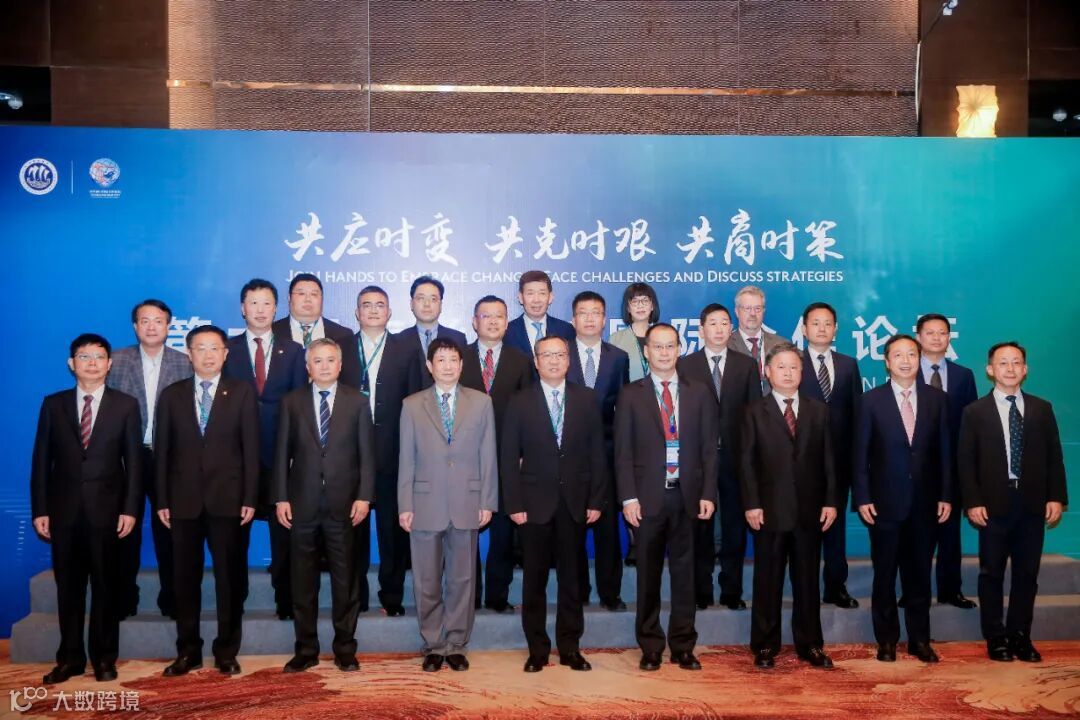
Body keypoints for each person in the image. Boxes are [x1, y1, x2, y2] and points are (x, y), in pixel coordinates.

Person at [32, 334, 142, 684]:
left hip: (108, 513)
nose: (92, 363)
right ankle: (69, 659)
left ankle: (104, 658)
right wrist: (40, 509)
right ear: (71, 363)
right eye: (84, 356)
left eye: (98, 356)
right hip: (63, 513)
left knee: (107, 587)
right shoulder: (54, 405)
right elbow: (41, 461)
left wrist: (130, 509)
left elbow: (134, 463)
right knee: (69, 588)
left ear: (110, 364)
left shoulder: (125, 405)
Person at [155, 325, 259, 677]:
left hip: (228, 501)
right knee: (185, 581)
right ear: (189, 354)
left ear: (226, 354)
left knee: (229, 580)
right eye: (200, 348)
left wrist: (250, 496)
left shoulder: (241, 392)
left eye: (215, 348)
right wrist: (162, 499)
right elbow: (162, 452)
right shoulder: (172, 395)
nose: (208, 355)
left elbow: (251, 449)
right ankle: (188, 652)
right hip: (182, 503)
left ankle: (226, 651)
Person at [615, 324, 717, 671]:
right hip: (647, 500)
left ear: (679, 349)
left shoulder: (699, 392)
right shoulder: (631, 394)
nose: (663, 352)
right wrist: (628, 498)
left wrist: (708, 492)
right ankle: (650, 645)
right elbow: (623, 452)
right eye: (657, 347)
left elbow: (709, 449)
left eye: (670, 346)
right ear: (646, 352)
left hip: (687, 496)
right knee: (649, 575)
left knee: (686, 575)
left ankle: (683, 645)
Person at [502, 335, 607, 672]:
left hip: (575, 502)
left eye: (560, 355)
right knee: (534, 581)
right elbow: (508, 456)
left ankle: (570, 646)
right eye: (546, 355)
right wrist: (513, 503)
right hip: (533, 504)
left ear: (568, 360)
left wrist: (596, 498)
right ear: (536, 362)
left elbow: (597, 452)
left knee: (571, 580)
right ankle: (537, 649)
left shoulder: (586, 399)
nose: (553, 361)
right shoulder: (519, 401)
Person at [959, 341, 1067, 663]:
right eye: (1003, 363)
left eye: (1016, 362)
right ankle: (996, 638)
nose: (1010, 368)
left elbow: (1054, 457)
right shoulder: (975, 412)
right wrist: (972, 501)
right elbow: (966, 462)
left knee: (1027, 574)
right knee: (991, 574)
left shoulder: (1042, 408)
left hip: (1032, 504)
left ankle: (1020, 635)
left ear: (1025, 369)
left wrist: (1056, 496)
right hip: (992, 506)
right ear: (990, 369)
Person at [274, 338, 375, 672]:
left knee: (345, 580)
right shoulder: (291, 402)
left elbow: (367, 455)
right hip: (301, 504)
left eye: (331, 360)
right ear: (308, 367)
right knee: (303, 582)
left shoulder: (358, 402)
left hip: (343, 505)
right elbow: (281, 454)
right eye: (317, 361)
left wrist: (364, 496)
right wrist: (281, 497)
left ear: (340, 365)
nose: (324, 366)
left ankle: (345, 648)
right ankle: (306, 650)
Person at [398, 338, 498, 672]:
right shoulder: (412, 405)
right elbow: (406, 459)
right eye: (440, 360)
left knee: (462, 579)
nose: (448, 366)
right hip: (424, 503)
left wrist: (487, 500)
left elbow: (488, 455)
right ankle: (432, 644)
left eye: (454, 359)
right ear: (430, 366)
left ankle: (456, 644)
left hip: (467, 501)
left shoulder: (481, 403)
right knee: (426, 581)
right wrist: (404, 504)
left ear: (462, 364)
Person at [854, 334, 952, 664]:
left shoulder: (937, 400)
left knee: (920, 575)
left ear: (920, 359)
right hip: (884, 504)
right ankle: (886, 640)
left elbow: (945, 452)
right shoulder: (870, 401)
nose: (906, 361)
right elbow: (860, 455)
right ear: (887, 361)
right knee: (884, 575)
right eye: (898, 355)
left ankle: (919, 640)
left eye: (912, 354)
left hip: (926, 503)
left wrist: (946, 495)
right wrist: (862, 496)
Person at [740, 342, 837, 669]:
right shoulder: (754, 411)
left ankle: (810, 644)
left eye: (794, 367)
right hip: (769, 511)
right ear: (767, 372)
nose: (788, 373)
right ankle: (765, 645)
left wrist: (831, 501)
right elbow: (746, 463)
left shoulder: (818, 411)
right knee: (767, 581)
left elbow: (829, 461)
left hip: (810, 512)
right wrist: (752, 504)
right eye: (781, 367)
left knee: (807, 581)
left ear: (802, 372)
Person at [222, 279, 308, 620]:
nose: (260, 310)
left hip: (280, 458)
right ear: (243, 308)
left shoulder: (294, 351)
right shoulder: (226, 350)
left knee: (284, 534)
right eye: (253, 303)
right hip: (235, 460)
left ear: (276, 308)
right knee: (233, 538)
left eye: (266, 303)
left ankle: (286, 600)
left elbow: (301, 407)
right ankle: (234, 602)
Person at [106, 299, 192, 620]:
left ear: (169, 326)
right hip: (127, 458)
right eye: (145, 320)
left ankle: (173, 598)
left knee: (170, 530)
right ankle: (123, 598)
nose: (152, 326)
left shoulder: (185, 362)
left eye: (158, 321)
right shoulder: (116, 360)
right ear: (135, 326)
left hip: (171, 459)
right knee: (124, 528)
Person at [677, 303, 761, 611]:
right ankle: (701, 589)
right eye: (713, 323)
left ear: (731, 329)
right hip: (698, 460)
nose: (719, 329)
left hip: (735, 459)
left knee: (734, 527)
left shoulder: (746, 365)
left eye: (725, 323)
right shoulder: (685, 365)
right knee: (700, 527)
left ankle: (731, 590)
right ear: (701, 330)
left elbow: (754, 414)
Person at [351, 285, 422, 616]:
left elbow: (417, 402)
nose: (373, 310)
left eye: (380, 305)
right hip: (351, 456)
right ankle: (356, 597)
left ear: (390, 312)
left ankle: (392, 596)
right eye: (366, 305)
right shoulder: (342, 348)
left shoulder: (407, 350)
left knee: (393, 531)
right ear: (357, 312)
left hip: (395, 453)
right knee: (354, 531)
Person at [460, 295, 533, 613]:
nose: (492, 321)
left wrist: (523, 452)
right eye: (485, 316)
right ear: (474, 322)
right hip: (464, 457)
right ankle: (470, 596)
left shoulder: (521, 361)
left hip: (507, 458)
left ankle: (497, 595)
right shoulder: (458, 358)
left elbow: (530, 410)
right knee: (465, 530)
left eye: (499, 316)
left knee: (503, 531)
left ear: (507, 323)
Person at [567, 290, 630, 612]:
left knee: (607, 529)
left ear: (604, 320)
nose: (590, 318)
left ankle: (610, 592)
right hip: (568, 456)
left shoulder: (618, 357)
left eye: (596, 313)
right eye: (583, 313)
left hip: (606, 454)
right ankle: (577, 590)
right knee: (573, 527)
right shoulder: (559, 352)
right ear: (573, 319)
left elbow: (623, 407)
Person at [798, 302, 862, 609]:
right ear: (804, 328)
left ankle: (836, 586)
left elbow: (856, 414)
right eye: (815, 323)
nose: (822, 328)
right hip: (802, 462)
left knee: (835, 528)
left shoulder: (848, 365)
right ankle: (807, 587)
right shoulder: (793, 362)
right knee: (806, 529)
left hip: (839, 462)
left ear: (835, 329)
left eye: (827, 323)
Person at [915, 313, 978, 609]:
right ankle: (915, 592)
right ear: (919, 337)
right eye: (930, 332)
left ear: (949, 338)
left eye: (942, 332)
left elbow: (971, 423)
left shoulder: (964, 376)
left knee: (950, 533)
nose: (937, 338)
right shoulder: (907, 370)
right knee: (916, 534)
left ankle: (951, 590)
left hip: (952, 467)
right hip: (916, 468)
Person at [272, 272, 360, 380]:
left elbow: (348, 379)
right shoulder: (272, 332)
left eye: (314, 294)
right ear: (289, 298)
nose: (308, 299)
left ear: (322, 299)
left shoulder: (343, 335)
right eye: (301, 294)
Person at [398, 275, 467, 388]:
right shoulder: (399, 341)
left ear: (441, 305)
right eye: (421, 298)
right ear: (411, 304)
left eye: (433, 299)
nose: (427, 304)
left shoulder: (458, 339)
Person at [504, 270, 575, 359]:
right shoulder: (507, 332)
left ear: (550, 297)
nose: (536, 300)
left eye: (542, 293)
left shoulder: (566, 330)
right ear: (521, 297)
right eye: (530, 293)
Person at [728, 285, 784, 394]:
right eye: (747, 308)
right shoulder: (726, 345)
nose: (753, 313)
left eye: (757, 308)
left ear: (763, 311)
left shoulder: (781, 344)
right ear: (737, 312)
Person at [609, 282, 660, 383]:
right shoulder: (616, 339)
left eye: (645, 300)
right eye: (635, 301)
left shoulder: (664, 336)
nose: (640, 305)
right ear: (628, 308)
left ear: (652, 306)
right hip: (628, 392)